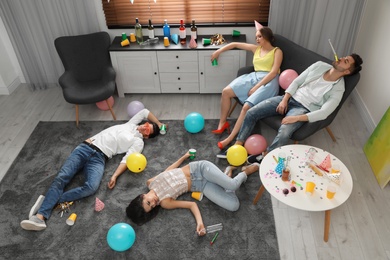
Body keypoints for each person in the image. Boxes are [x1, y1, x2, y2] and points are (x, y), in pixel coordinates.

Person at [20, 108, 166, 231]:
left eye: (148, 129)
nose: (145, 126)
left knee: (91, 187)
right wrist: (159, 124)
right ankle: (40, 217)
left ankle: (47, 201)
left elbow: (126, 160)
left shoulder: (138, 142)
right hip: (84, 148)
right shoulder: (130, 124)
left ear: (147, 136)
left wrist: (115, 176)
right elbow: (144, 111)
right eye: (147, 124)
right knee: (63, 177)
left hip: (100, 158)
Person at [218, 54, 363, 163]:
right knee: (251, 112)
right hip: (290, 98)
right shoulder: (319, 65)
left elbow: (324, 112)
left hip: (303, 110)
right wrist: (285, 99)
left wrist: (297, 118)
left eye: (345, 61)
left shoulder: (338, 90)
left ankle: (265, 158)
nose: (341, 58)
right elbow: (297, 80)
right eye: (344, 57)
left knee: (284, 132)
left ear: (347, 72)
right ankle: (237, 145)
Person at [125, 151, 259, 236]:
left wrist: (184, 156)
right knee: (233, 205)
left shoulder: (150, 182)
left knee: (232, 185)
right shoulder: (165, 203)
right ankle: (228, 172)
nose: (154, 203)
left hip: (200, 169)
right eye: (152, 206)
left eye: (149, 202)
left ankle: (245, 172)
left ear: (142, 196)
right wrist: (199, 223)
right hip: (202, 185)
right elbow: (191, 205)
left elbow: (168, 170)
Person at [211, 27, 283, 151]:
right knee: (226, 92)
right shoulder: (256, 49)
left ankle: (231, 139)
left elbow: (273, 72)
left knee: (246, 107)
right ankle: (222, 123)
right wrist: (218, 51)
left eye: (259, 36)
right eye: (256, 37)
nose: (257, 39)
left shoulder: (277, 51)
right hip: (254, 77)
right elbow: (234, 44)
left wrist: (256, 88)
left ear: (267, 37)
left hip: (269, 81)